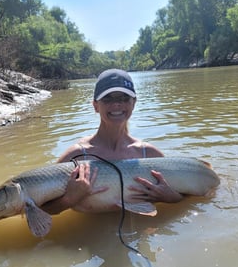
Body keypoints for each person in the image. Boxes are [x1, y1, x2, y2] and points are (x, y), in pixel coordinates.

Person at [41, 68, 183, 215]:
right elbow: (44, 209)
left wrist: (171, 198)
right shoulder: (76, 157)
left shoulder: (149, 154)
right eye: (108, 98)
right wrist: (69, 200)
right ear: (95, 105)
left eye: (124, 98)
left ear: (133, 103)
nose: (117, 104)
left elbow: (188, 197)